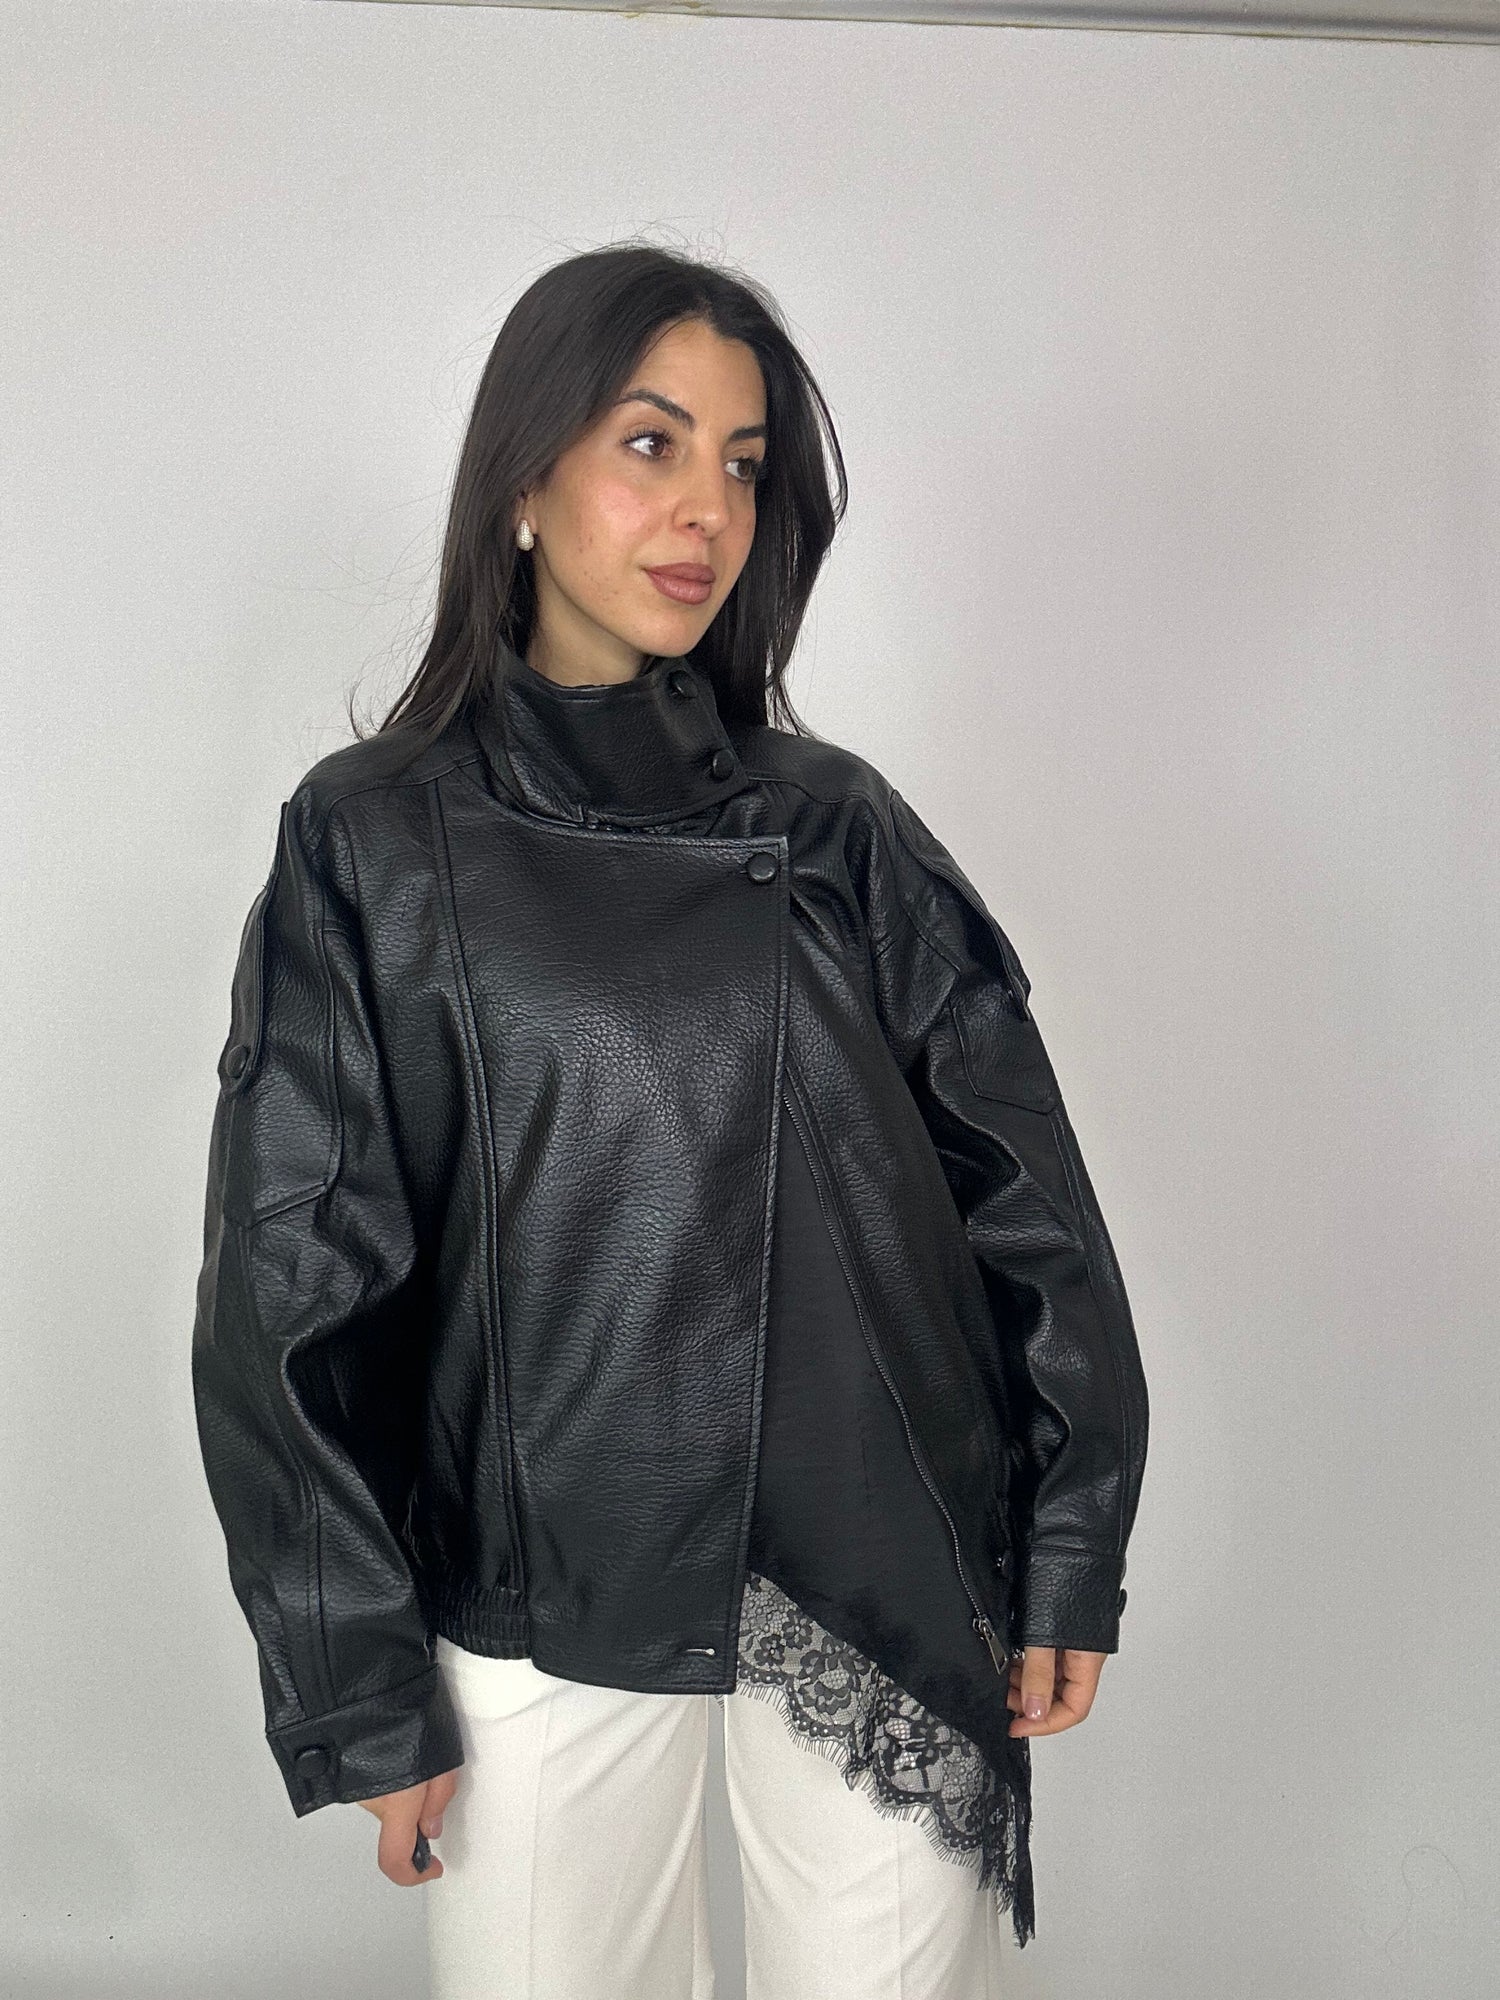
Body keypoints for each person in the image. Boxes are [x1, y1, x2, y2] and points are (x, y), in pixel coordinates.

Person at [191, 241, 1150, 2000]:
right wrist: (356, 1681)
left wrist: (1071, 1540)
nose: (706, 507)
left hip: (879, 1560)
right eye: (652, 443)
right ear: (524, 481)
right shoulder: (374, 839)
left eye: (744, 462)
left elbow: (1026, 1198)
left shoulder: (840, 825)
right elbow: (292, 1285)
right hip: (546, 1577)